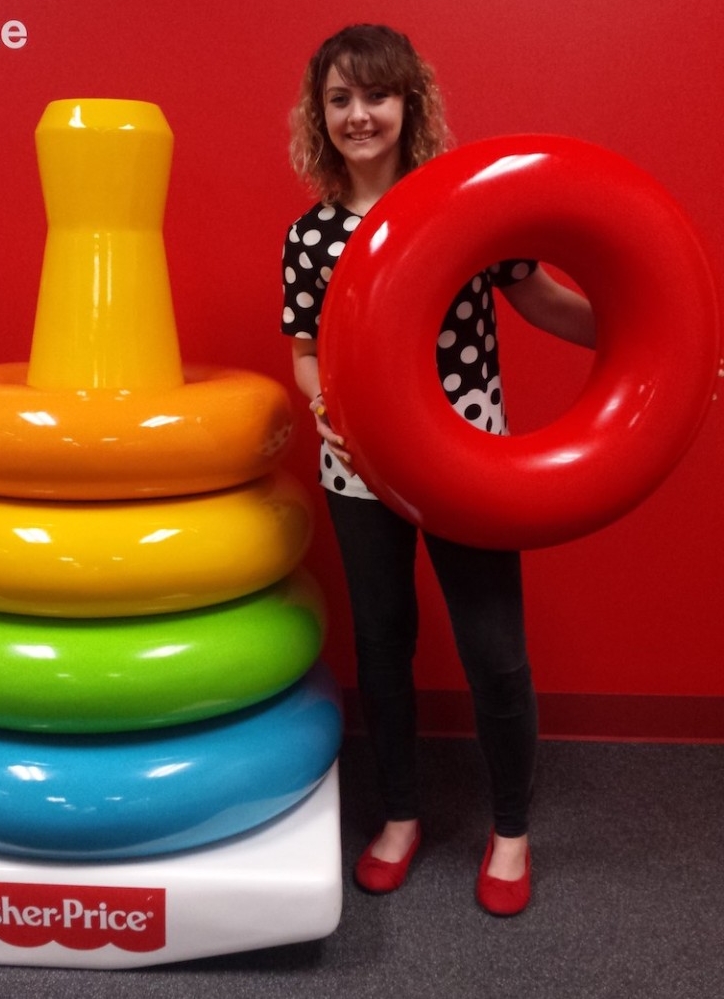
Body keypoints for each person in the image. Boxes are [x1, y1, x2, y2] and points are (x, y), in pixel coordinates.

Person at [281, 23, 595, 916]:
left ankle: (509, 828)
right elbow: (304, 348)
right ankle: (402, 813)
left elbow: (538, 296)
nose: (359, 115)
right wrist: (320, 404)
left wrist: (652, 342)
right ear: (321, 114)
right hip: (360, 472)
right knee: (382, 649)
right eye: (339, 99)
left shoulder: (461, 206)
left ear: (408, 102)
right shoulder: (310, 236)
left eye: (375, 95)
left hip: (467, 463)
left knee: (495, 654)